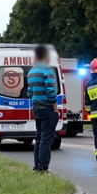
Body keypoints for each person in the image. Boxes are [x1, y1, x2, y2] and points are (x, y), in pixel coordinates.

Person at [26, 44, 59, 172]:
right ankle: (44, 167)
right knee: (46, 139)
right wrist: (55, 108)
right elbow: (51, 91)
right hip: (47, 108)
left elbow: (29, 92)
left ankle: (37, 166)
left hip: (37, 108)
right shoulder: (47, 70)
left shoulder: (31, 72)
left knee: (39, 138)